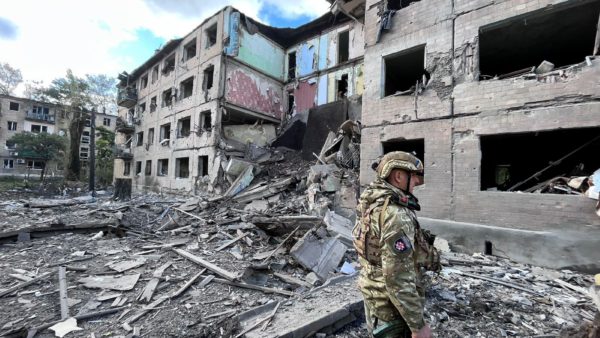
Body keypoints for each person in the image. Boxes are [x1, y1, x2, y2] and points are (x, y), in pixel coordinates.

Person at [353, 151, 440, 338]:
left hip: (374, 294)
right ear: (399, 176)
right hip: (390, 307)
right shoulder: (396, 215)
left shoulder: (371, 202)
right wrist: (418, 326)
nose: (417, 182)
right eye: (414, 176)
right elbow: (397, 277)